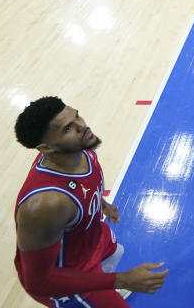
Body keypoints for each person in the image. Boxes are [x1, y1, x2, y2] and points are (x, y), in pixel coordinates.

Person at [14, 96, 168, 306]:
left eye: (77, 116)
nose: (83, 126)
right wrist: (121, 280)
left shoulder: (80, 149)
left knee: (115, 253)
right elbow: (38, 281)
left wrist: (102, 204)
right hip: (65, 277)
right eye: (68, 128)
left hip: (89, 240)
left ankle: (105, 286)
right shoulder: (45, 205)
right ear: (47, 148)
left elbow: (86, 184)